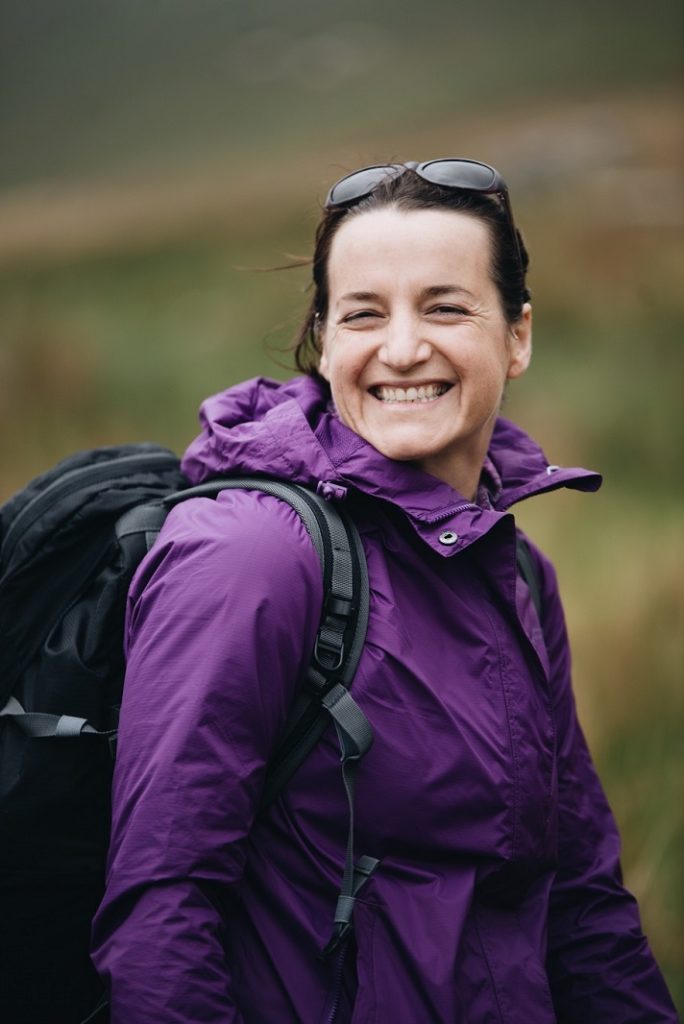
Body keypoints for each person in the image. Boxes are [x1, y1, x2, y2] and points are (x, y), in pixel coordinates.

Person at [90, 160, 677, 1023]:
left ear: (517, 336)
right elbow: (159, 918)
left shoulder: (515, 571)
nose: (402, 349)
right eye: (364, 314)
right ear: (326, 341)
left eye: (445, 307)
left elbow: (581, 900)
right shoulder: (251, 554)